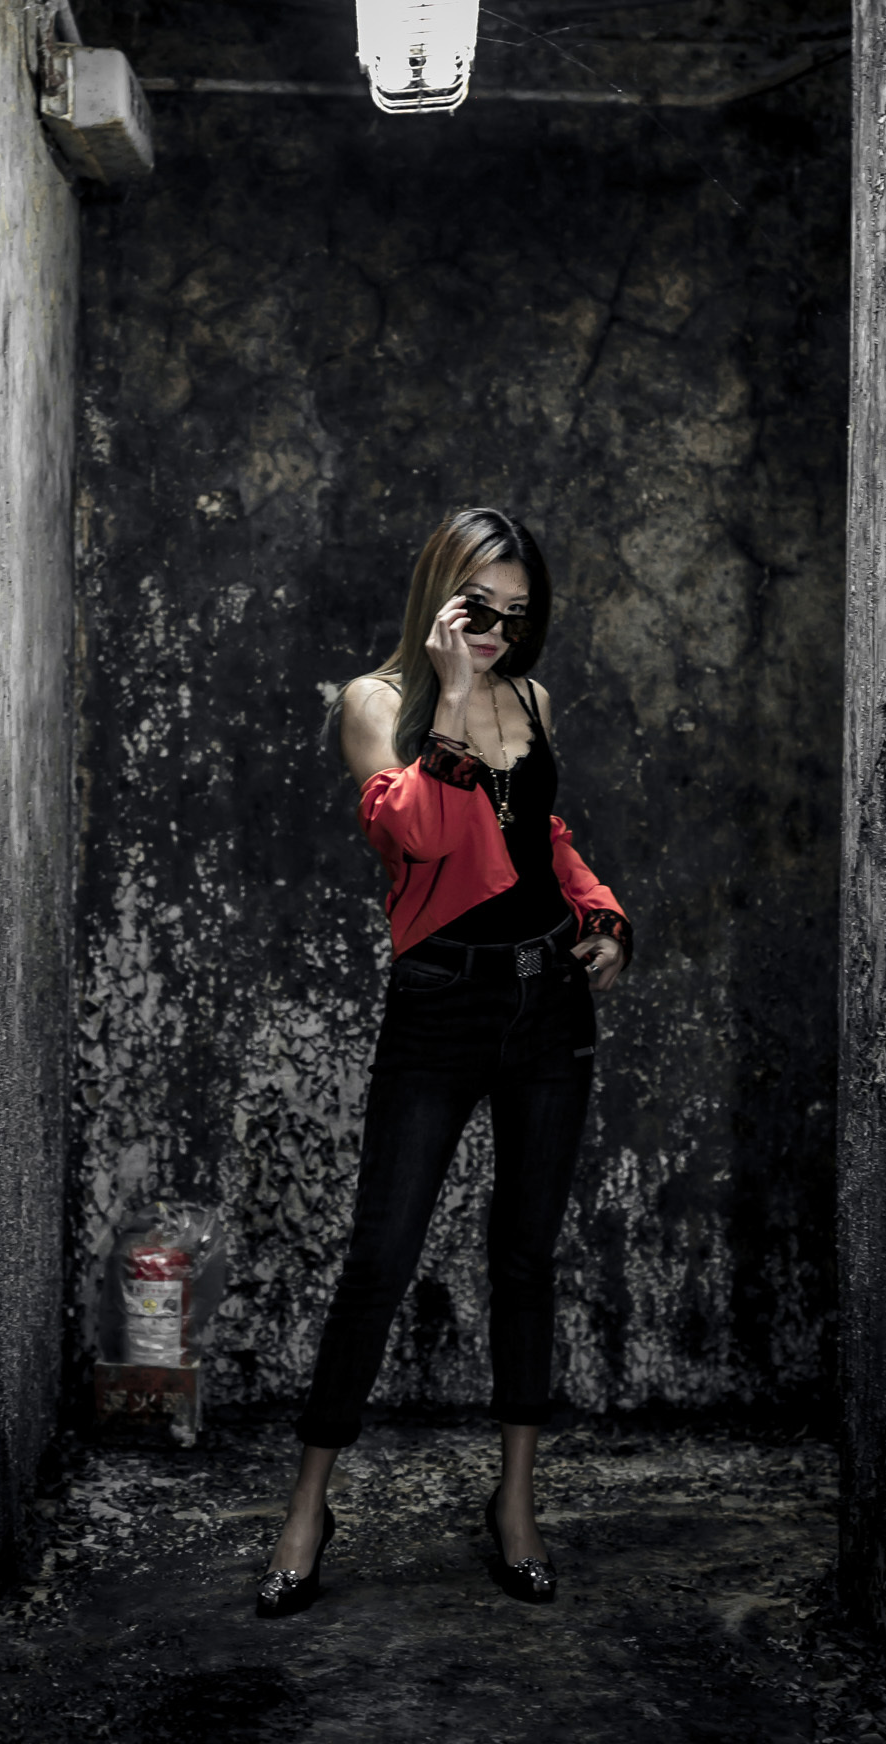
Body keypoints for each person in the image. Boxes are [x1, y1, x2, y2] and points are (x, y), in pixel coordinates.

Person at [257, 507, 631, 1617]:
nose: (500, 631)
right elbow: (414, 836)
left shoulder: (535, 701)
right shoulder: (376, 704)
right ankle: (308, 1504)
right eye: (481, 607)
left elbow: (539, 840)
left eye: (518, 613)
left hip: (547, 1003)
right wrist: (456, 698)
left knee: (525, 1258)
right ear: (440, 595)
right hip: (438, 1004)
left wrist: (602, 915)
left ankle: (514, 1499)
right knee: (379, 1258)